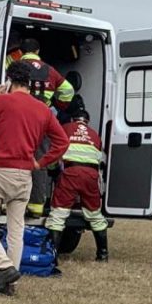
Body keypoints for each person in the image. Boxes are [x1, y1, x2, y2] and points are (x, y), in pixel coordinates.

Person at [0, 61, 69, 295]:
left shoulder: (3, 101)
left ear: (9, 81)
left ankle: (3, 267)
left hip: (0, 170)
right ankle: (9, 285)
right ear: (31, 84)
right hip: (25, 174)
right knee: (16, 229)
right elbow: (62, 141)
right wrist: (41, 162)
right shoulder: (42, 109)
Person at [19, 37, 75, 217]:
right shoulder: (50, 70)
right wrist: (60, 104)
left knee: (15, 160)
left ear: (21, 52)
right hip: (43, 119)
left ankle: (9, 204)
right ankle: (36, 206)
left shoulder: (16, 69)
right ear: (37, 52)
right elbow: (68, 91)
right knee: (40, 161)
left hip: (20, 119)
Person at [44, 107, 110, 262]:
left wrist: (52, 170)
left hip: (71, 173)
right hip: (90, 175)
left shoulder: (65, 129)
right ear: (87, 122)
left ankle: (52, 256)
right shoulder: (95, 135)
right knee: (94, 214)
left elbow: (55, 152)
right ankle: (103, 254)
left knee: (59, 214)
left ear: (73, 120)